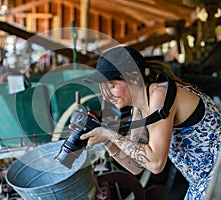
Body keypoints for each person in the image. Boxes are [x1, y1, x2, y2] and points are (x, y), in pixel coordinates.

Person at [80, 45, 221, 200]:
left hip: (215, 178)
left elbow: (156, 163)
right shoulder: (139, 109)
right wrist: (106, 140)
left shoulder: (160, 94)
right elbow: (136, 166)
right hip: (204, 182)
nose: (106, 96)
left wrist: (109, 134)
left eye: (112, 86)